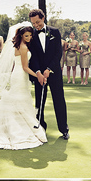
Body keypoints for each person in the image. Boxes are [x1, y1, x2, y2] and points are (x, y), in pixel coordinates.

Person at [0, 24, 48, 150]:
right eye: (26, 35)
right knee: (19, 100)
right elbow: (25, 67)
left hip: (19, 75)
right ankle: (16, 130)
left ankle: (17, 127)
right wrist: (38, 75)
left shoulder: (20, 46)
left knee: (19, 100)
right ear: (21, 35)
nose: (29, 37)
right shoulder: (22, 47)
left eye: (30, 35)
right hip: (20, 75)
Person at [27, 9, 69, 139]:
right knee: (39, 102)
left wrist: (49, 69)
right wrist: (39, 73)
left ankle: (64, 129)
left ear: (43, 18)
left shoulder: (55, 32)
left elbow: (58, 53)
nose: (36, 25)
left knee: (59, 100)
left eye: (38, 22)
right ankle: (41, 129)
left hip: (54, 73)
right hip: (39, 75)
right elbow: (32, 57)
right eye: (33, 23)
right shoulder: (31, 35)